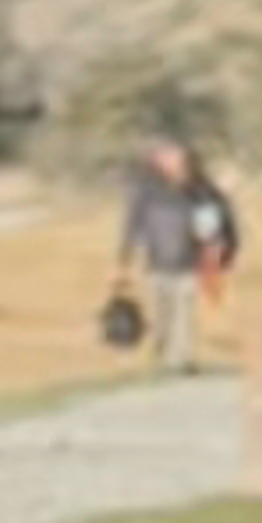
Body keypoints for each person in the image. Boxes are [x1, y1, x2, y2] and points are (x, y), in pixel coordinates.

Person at [113, 127, 213, 370]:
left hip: (188, 262)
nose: (174, 162)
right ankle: (161, 356)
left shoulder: (198, 188)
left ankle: (183, 359)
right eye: (168, 156)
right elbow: (132, 225)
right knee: (161, 314)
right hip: (157, 262)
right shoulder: (147, 190)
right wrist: (123, 263)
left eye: (178, 157)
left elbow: (208, 222)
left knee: (184, 311)